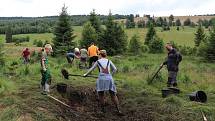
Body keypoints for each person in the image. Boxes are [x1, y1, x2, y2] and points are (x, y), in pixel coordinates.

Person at [83, 50, 123, 115]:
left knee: (101, 94)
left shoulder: (98, 61)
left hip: (101, 79)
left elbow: (91, 69)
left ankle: (103, 110)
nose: (98, 56)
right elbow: (115, 69)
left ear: (100, 55)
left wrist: (85, 74)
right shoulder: (109, 61)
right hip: (109, 79)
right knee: (113, 95)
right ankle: (118, 110)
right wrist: (110, 75)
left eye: (99, 55)